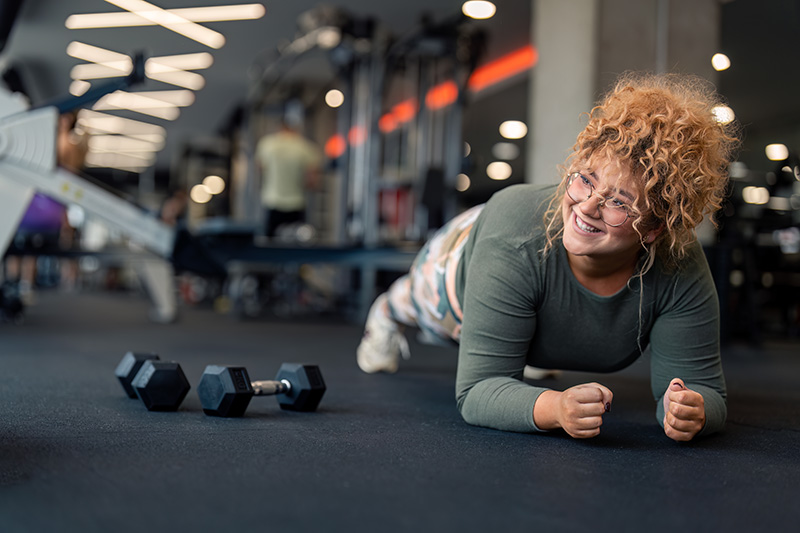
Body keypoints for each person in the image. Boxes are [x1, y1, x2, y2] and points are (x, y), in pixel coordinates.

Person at [356, 72, 739, 442]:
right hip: (468, 251)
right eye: (585, 179)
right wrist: (555, 408)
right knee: (413, 302)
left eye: (619, 202)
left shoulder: (679, 263)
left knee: (524, 322)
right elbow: (476, 391)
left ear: (655, 229)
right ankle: (385, 313)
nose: (587, 206)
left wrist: (692, 410)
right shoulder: (515, 234)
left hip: (527, 266)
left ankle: (526, 340)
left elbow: (705, 391)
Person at [255, 119, 322, 238]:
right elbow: (312, 181)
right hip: (296, 202)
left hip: (272, 200)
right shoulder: (306, 147)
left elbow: (260, 170)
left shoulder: (266, 144)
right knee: (296, 242)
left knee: (269, 242)